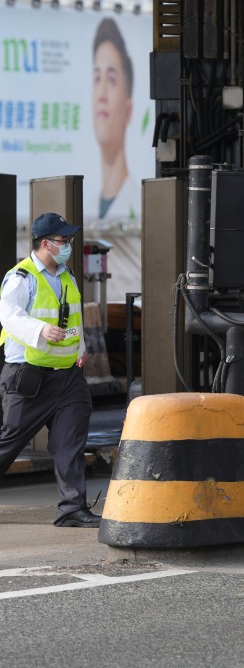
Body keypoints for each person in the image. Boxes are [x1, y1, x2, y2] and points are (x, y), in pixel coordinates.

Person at [0, 213, 100, 528]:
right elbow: (9, 316)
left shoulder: (67, 276)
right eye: (63, 241)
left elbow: (72, 318)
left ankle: (72, 509)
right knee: (10, 440)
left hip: (68, 377)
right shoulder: (22, 277)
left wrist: (81, 349)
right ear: (46, 243)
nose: (68, 245)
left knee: (70, 440)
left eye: (69, 239)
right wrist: (39, 331)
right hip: (29, 376)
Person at [92, 17, 137, 219]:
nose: (101, 94)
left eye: (111, 80)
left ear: (128, 110)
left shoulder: (139, 207)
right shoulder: (83, 210)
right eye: (97, 78)